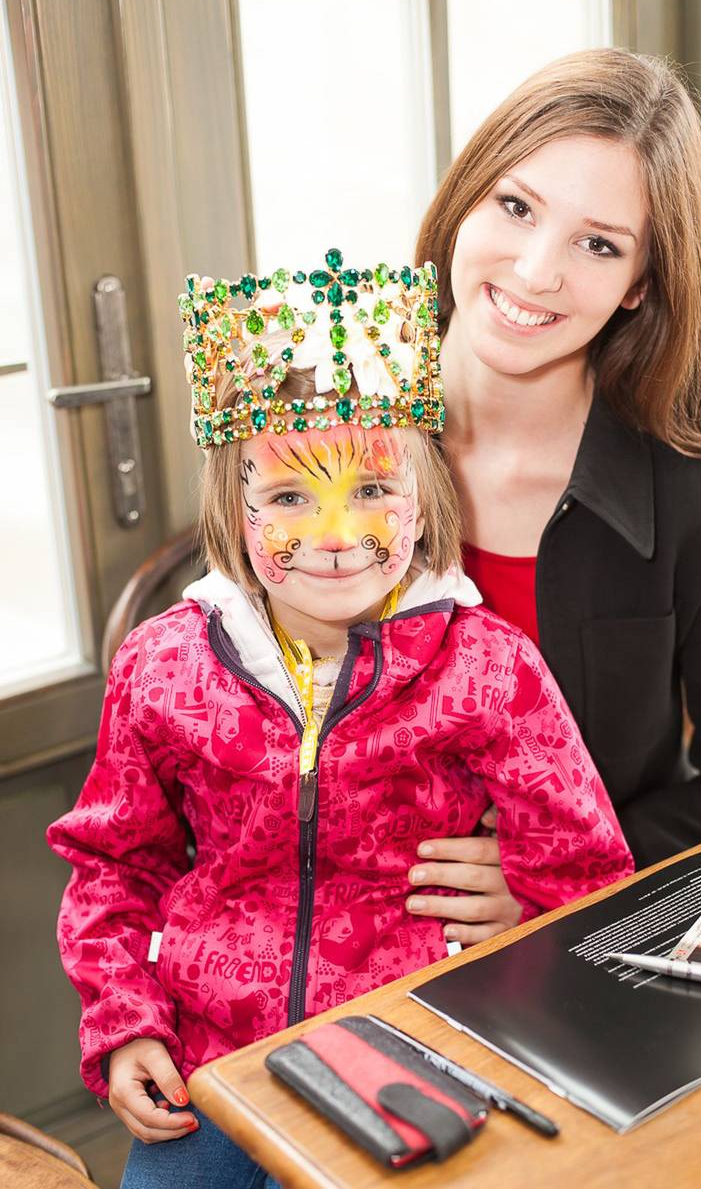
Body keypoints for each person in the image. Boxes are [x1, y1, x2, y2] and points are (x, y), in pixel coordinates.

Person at [47, 253, 632, 1188]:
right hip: (209, 1073)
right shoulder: (162, 667)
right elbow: (114, 866)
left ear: (422, 493)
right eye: (287, 497)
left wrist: (526, 912)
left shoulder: (489, 669)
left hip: (412, 1064)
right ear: (234, 513)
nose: (331, 534)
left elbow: (590, 877)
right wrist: (123, 1024)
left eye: (370, 489)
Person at [402, 47, 701, 948]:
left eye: (598, 243)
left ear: (641, 287)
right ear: (464, 196)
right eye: (515, 205)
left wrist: (564, 868)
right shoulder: (323, 435)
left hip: (584, 952)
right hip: (315, 967)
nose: (538, 271)